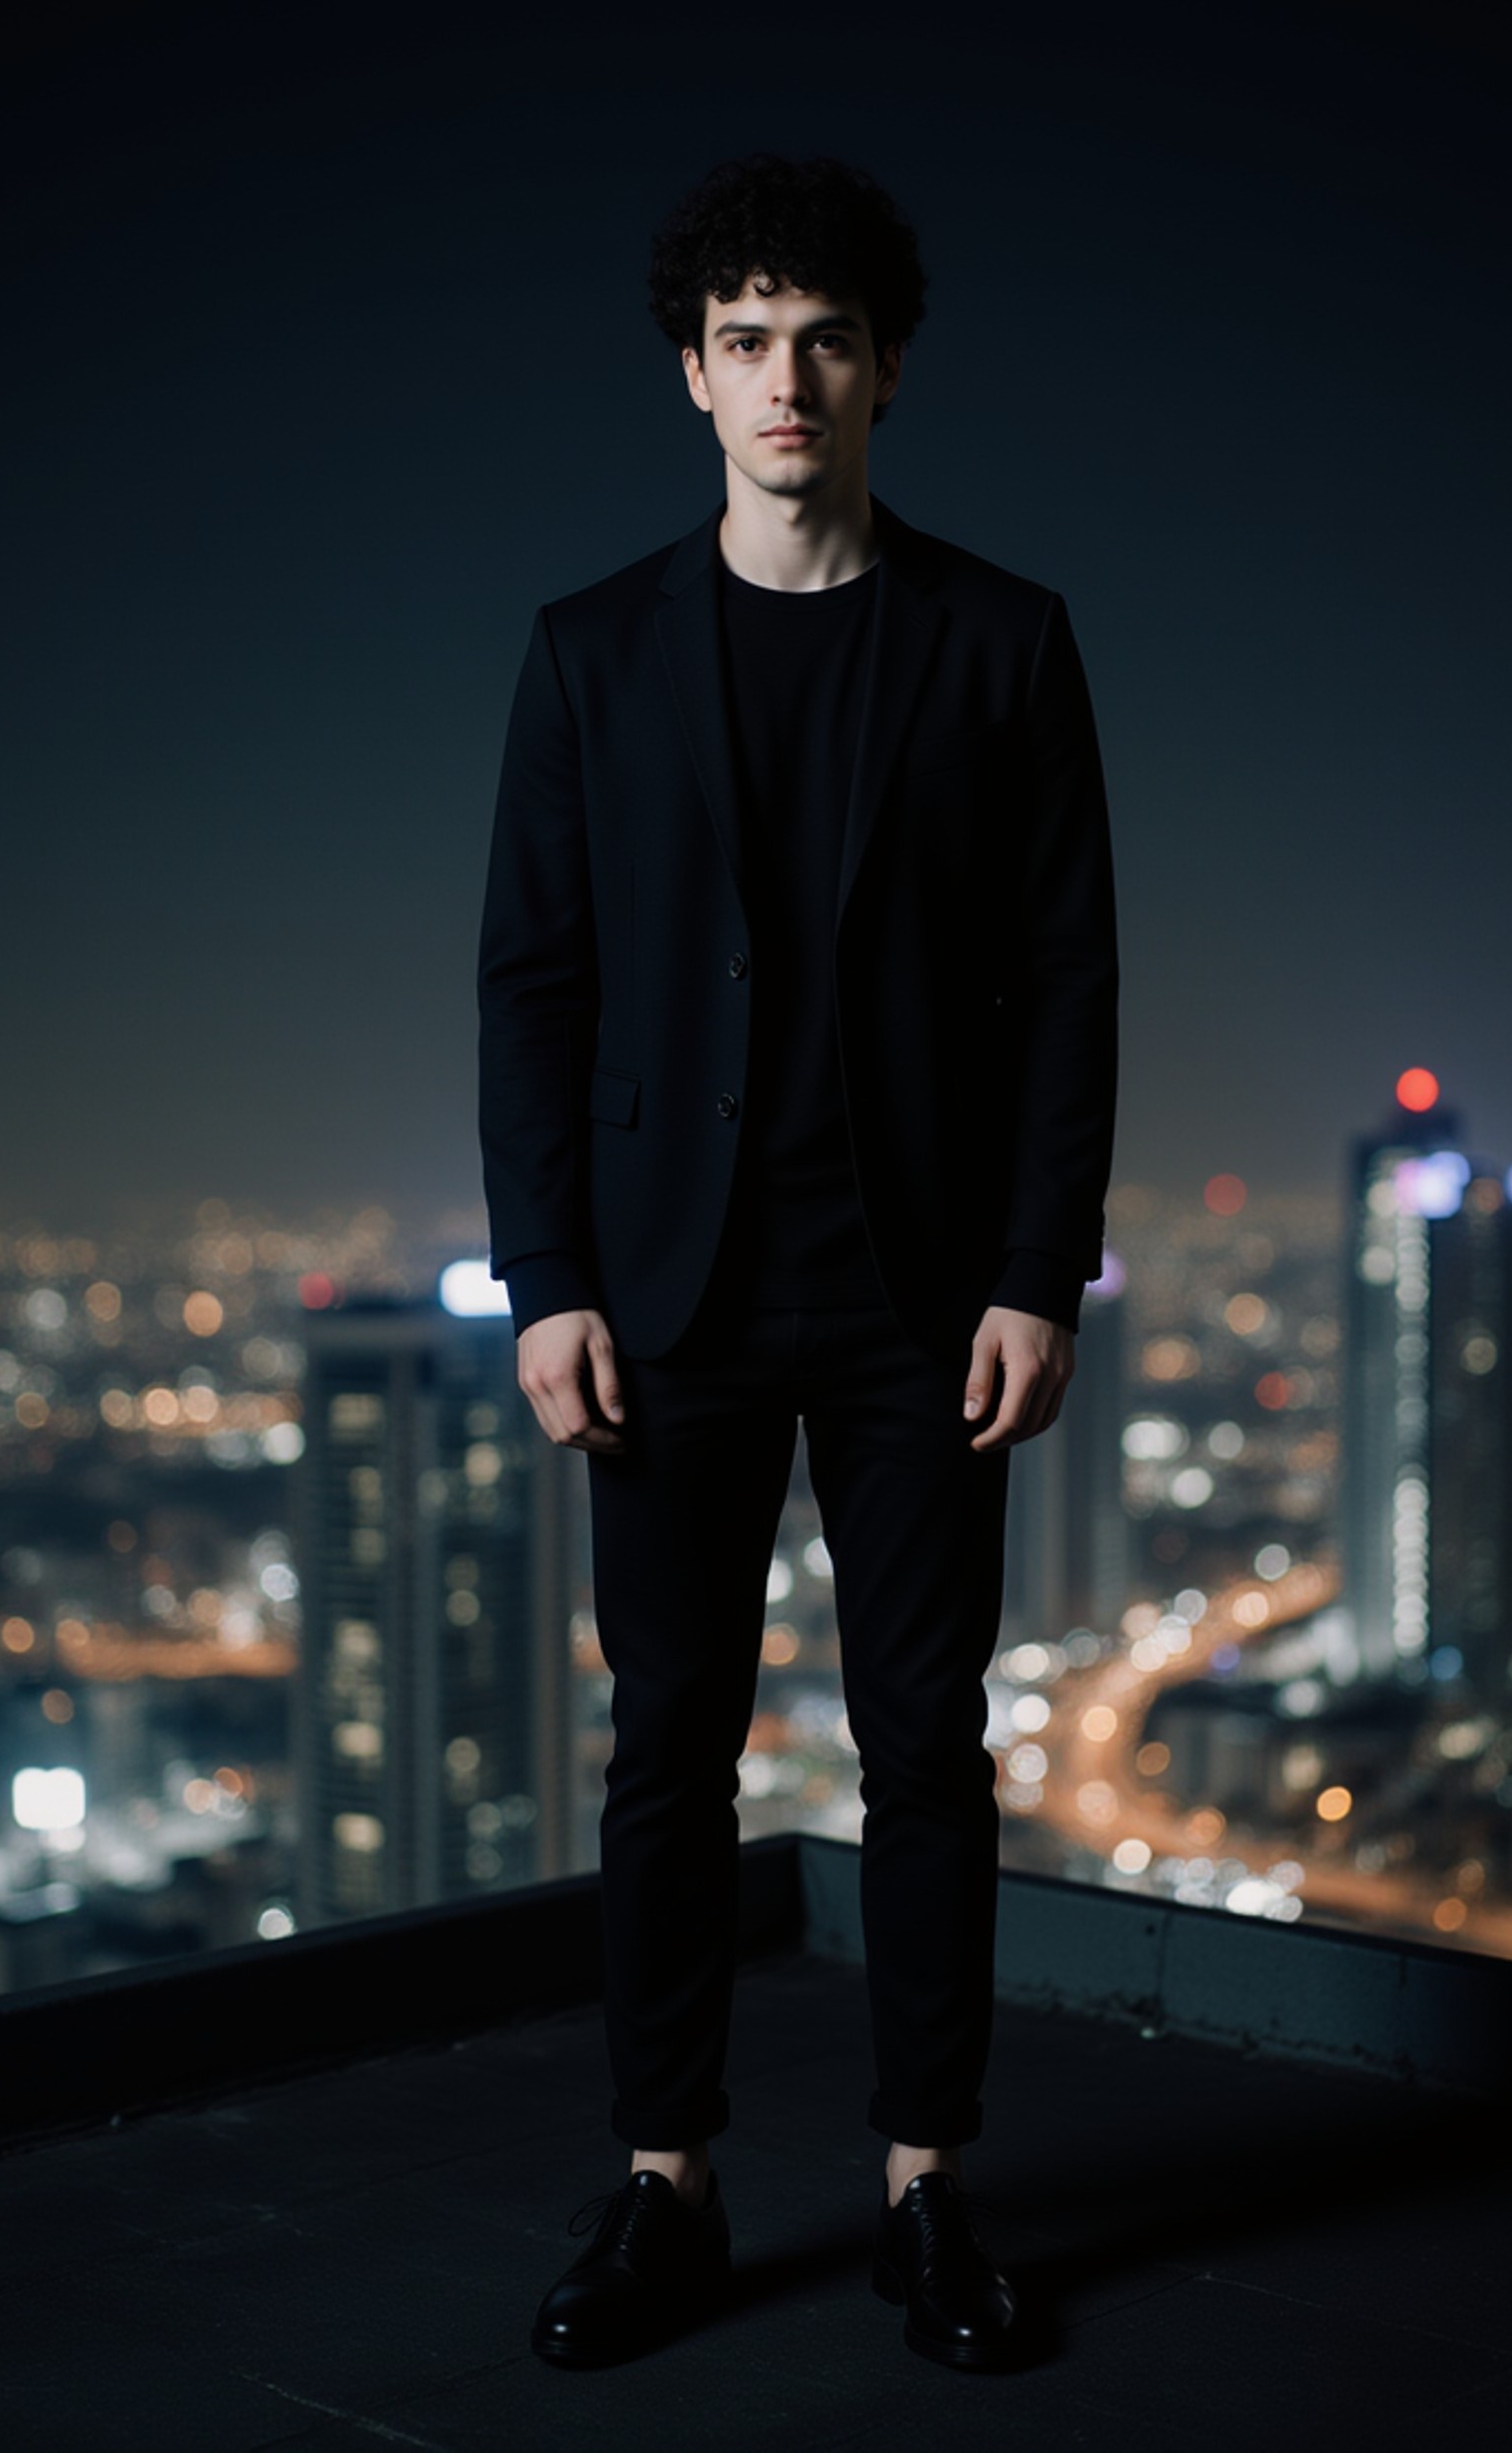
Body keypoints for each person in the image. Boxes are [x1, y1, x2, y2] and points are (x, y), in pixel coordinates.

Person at [476, 150, 1118, 2373]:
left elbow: (1067, 982)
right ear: (690, 375)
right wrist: (544, 1267)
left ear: (885, 370)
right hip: (665, 1294)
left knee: (924, 1744)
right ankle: (662, 2178)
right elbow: (531, 986)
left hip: (926, 1293)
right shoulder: (589, 650)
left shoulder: (1002, 640)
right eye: (743, 339)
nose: (785, 377)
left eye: (823, 336)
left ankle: (927, 2188)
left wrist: (1042, 1267)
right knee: (670, 1745)